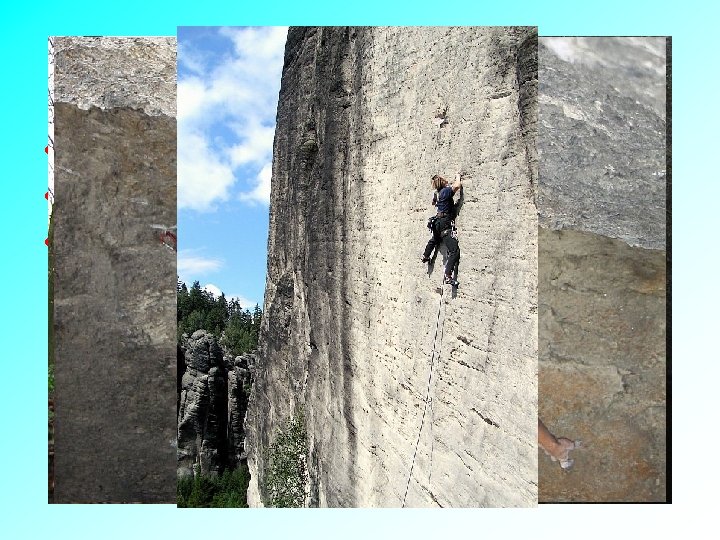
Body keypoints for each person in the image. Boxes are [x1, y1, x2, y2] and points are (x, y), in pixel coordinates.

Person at [421, 173, 462, 286]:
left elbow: (434, 202)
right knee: (454, 251)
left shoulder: (437, 193)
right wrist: (458, 176)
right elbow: (457, 185)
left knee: (435, 239)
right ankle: (448, 275)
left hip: (437, 222)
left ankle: (425, 256)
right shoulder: (445, 191)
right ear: (443, 182)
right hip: (444, 223)